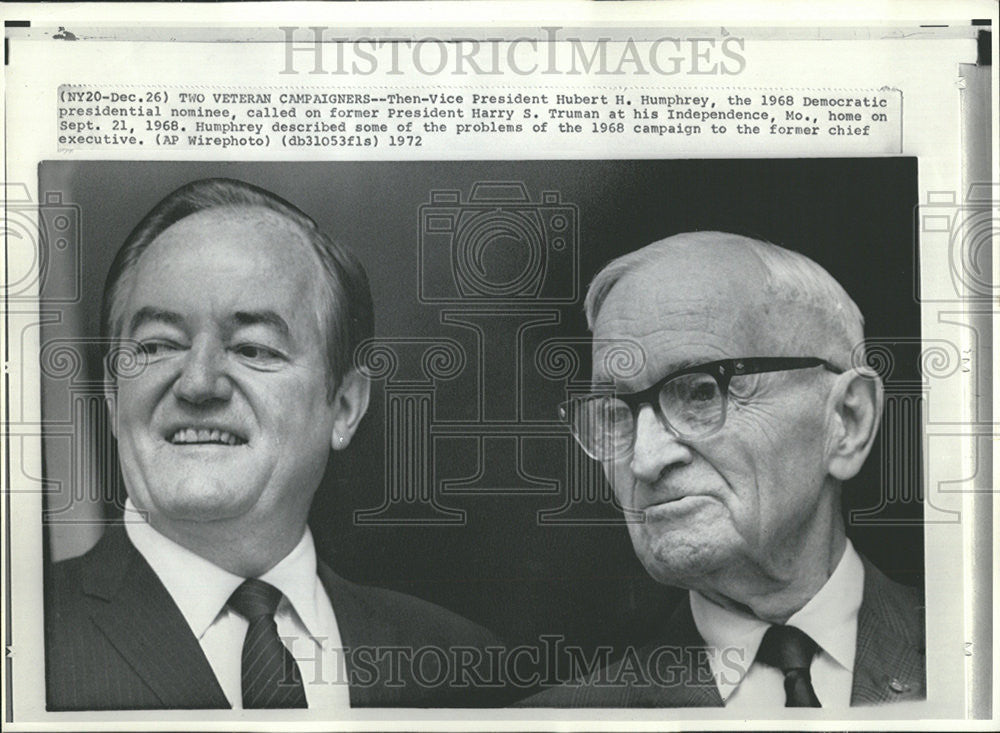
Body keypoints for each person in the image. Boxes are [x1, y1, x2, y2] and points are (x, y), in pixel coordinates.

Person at [45, 178, 503, 711]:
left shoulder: (461, 664)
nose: (198, 383)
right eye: (158, 345)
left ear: (346, 406)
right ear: (111, 395)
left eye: (254, 349)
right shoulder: (24, 638)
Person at [526, 231, 924, 708]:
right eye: (614, 412)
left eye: (699, 393)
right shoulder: (561, 720)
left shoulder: (977, 652)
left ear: (848, 420)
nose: (645, 460)